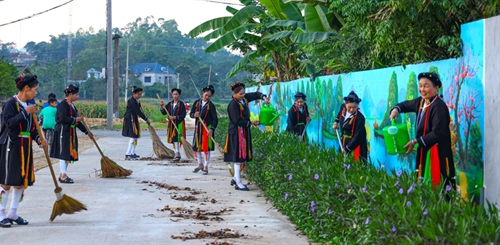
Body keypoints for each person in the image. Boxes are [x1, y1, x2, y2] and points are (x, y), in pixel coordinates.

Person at [390, 72, 456, 189]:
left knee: (440, 185)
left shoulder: (438, 106)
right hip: (424, 150)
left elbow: (438, 134)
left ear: (436, 88)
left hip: (437, 152)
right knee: (423, 184)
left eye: (426, 86)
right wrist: (396, 110)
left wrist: (416, 141)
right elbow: (405, 105)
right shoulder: (421, 102)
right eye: (420, 85)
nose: (422, 89)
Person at [0, 75, 47, 228]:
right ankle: (1, 213)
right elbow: (9, 123)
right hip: (11, 145)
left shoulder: (29, 105)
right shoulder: (11, 104)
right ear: (26, 88)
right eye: (35, 90)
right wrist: (25, 112)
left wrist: (39, 139)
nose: (35, 93)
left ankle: (12, 212)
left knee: (20, 180)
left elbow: (32, 129)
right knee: (7, 180)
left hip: (25, 145)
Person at [224, 82, 269, 191]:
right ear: (234, 94)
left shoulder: (243, 100)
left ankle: (235, 178)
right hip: (236, 133)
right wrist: (251, 122)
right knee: (238, 157)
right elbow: (237, 120)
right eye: (240, 94)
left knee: (242, 156)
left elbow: (254, 95)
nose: (243, 95)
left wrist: (263, 97)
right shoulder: (233, 105)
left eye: (243, 93)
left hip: (243, 131)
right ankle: (238, 183)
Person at [50, 84, 93, 184]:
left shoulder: (72, 106)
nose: (77, 97)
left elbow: (77, 123)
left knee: (68, 153)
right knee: (63, 153)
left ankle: (62, 174)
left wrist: (87, 132)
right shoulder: (62, 105)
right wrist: (74, 119)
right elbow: (61, 118)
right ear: (69, 94)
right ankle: (63, 175)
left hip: (70, 132)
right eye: (76, 95)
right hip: (62, 131)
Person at [332, 91, 368, 163]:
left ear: (357, 106)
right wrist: (336, 122)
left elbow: (358, 136)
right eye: (349, 107)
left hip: (356, 144)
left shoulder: (360, 118)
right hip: (344, 141)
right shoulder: (343, 108)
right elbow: (339, 115)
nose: (352, 110)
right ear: (345, 105)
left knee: (356, 166)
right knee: (342, 163)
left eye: (354, 107)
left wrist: (348, 149)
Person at [190, 85, 218, 175]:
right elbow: (191, 114)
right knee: (197, 147)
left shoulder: (211, 106)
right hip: (198, 128)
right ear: (203, 93)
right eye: (206, 95)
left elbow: (215, 119)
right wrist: (195, 115)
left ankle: (206, 166)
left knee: (206, 148)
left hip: (207, 129)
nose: (207, 97)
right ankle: (200, 164)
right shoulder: (197, 103)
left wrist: (212, 129)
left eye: (209, 96)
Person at [122, 86, 150, 160]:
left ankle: (132, 152)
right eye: (138, 94)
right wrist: (145, 119)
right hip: (130, 118)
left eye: (140, 94)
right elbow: (138, 112)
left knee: (135, 136)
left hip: (134, 118)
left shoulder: (135, 101)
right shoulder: (132, 101)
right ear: (134, 94)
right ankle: (128, 153)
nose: (139, 96)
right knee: (133, 135)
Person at [160, 88, 186, 161]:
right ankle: (176, 153)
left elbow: (183, 115)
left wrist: (175, 117)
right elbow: (164, 112)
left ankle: (177, 153)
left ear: (179, 95)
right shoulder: (170, 104)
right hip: (171, 124)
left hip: (179, 123)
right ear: (172, 95)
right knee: (173, 139)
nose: (175, 96)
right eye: (174, 94)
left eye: (176, 94)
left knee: (177, 138)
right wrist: (161, 106)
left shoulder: (181, 104)